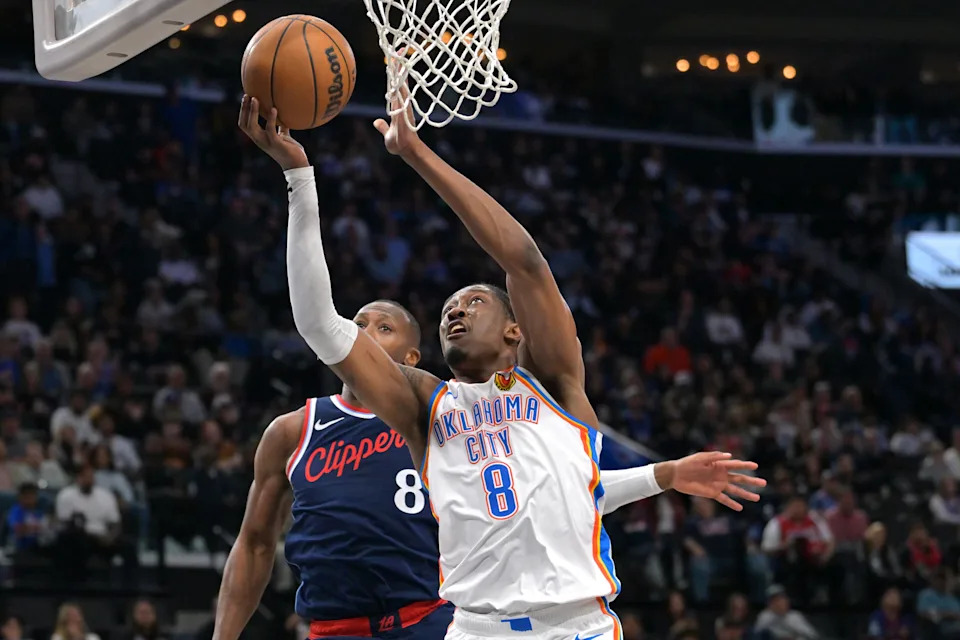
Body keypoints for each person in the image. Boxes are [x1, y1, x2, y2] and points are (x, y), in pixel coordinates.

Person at [239, 93, 765, 640]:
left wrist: (417, 154)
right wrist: (300, 177)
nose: (455, 312)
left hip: (575, 627)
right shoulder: (425, 404)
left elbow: (524, 261)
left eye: (474, 303)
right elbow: (320, 324)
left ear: (516, 330)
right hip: (474, 629)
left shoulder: (554, 384)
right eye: (447, 310)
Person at [213, 300, 455, 640]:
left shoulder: (439, 420)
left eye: (384, 328)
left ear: (411, 358)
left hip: (428, 620)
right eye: (358, 324)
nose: (363, 334)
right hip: (333, 629)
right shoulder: (293, 431)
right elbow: (254, 545)